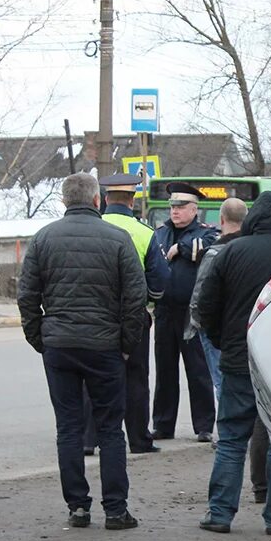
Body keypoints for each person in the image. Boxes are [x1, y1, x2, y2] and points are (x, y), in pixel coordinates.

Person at [16, 172, 146, 530]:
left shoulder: (43, 239)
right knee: (110, 429)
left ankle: (77, 506)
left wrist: (40, 338)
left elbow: (27, 295)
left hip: (59, 345)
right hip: (104, 346)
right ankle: (116, 510)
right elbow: (136, 298)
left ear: (63, 201)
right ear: (96, 200)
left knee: (69, 428)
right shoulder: (118, 239)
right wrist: (125, 344)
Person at [194, 192, 271, 534]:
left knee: (231, 439)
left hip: (240, 359)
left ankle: (220, 514)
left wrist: (223, 343)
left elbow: (206, 307)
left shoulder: (232, 251)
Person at [82, 174, 169, 455]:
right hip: (133, 316)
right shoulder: (144, 232)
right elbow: (159, 281)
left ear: (106, 200)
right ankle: (138, 439)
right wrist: (149, 303)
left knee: (93, 378)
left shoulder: (92, 228)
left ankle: (87, 439)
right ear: (132, 201)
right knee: (135, 378)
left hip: (96, 316)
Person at [151, 182, 219, 442]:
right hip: (166, 310)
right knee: (165, 370)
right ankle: (163, 424)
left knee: (198, 370)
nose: (175, 211)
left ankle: (203, 425)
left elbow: (208, 247)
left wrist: (180, 248)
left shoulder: (205, 232)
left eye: (181, 207)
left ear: (194, 209)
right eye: (172, 206)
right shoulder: (161, 233)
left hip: (191, 312)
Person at [185, 197, 248, 404]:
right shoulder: (249, 249)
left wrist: (197, 324)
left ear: (221, 220)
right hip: (244, 327)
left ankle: (227, 432)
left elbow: (199, 295)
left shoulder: (214, 253)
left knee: (221, 382)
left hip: (217, 330)